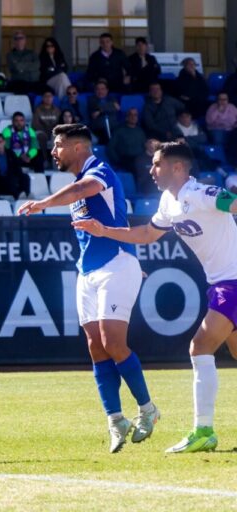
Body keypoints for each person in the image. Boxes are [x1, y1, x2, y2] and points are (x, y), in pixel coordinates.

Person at [72, 141, 237, 454]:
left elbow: (233, 203)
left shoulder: (201, 194)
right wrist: (103, 230)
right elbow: (147, 235)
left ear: (178, 167)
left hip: (233, 282)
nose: (151, 171)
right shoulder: (168, 201)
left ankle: (204, 431)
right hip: (220, 283)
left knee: (200, 346)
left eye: (157, 164)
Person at [17, 123, 160, 454]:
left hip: (116, 264)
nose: (53, 151)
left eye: (58, 145)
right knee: (96, 347)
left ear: (78, 147)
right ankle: (116, 420)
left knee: (113, 341)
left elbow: (82, 191)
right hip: (88, 270)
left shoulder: (100, 171)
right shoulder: (80, 179)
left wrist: (41, 204)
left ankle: (148, 410)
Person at [0, 133, 30, 199]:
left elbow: (17, 167)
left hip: (10, 178)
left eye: (0, 142)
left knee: (25, 177)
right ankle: (18, 195)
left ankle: (25, 195)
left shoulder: (10, 153)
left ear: (4, 142)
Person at [106, 108, 146, 172]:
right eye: (130, 114)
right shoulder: (119, 131)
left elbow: (144, 148)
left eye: (135, 115)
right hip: (125, 160)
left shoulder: (140, 131)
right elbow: (110, 148)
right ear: (126, 117)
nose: (133, 117)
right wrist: (118, 161)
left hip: (139, 160)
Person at [87, 79, 121, 144]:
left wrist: (100, 110)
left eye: (103, 89)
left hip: (114, 128)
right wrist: (111, 106)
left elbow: (117, 108)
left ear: (107, 90)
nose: (100, 91)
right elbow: (94, 114)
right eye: (98, 89)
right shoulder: (92, 100)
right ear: (95, 91)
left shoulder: (111, 98)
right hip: (99, 130)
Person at [32, 90, 61, 156]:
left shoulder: (57, 110)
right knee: (41, 135)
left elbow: (60, 123)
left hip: (53, 132)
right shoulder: (38, 110)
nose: (48, 98)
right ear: (42, 98)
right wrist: (45, 130)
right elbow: (35, 124)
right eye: (46, 96)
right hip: (42, 132)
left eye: (50, 96)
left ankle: (57, 157)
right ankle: (45, 158)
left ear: (53, 98)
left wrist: (53, 131)